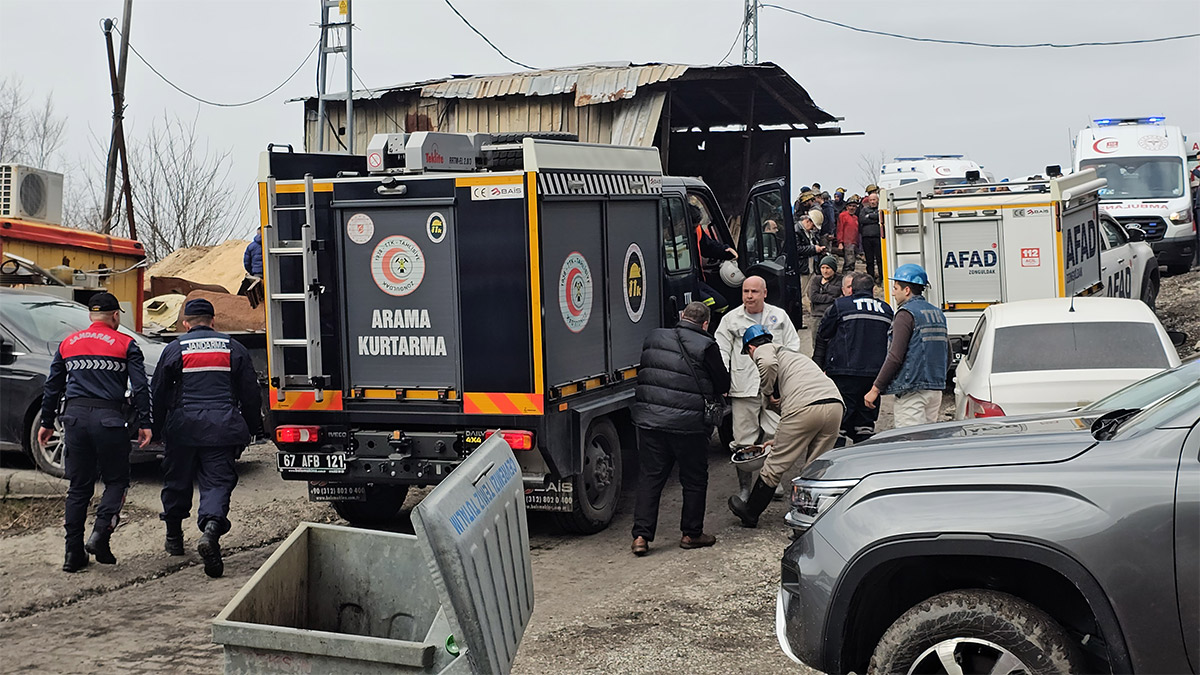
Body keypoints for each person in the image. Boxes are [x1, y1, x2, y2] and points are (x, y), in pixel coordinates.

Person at [39, 292, 152, 572]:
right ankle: (101, 533)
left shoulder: (68, 343)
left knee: (78, 487)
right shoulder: (126, 343)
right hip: (109, 420)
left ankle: (72, 554)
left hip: (74, 420)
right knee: (117, 480)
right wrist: (146, 423)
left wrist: (46, 422)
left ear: (91, 316)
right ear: (115, 316)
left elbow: (53, 386)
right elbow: (140, 387)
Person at [152, 298, 263, 578]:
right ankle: (210, 532)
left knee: (176, 482)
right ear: (213, 321)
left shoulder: (174, 348)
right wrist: (255, 427)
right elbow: (250, 393)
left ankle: (174, 539)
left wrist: (156, 428)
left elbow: (159, 391)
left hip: (182, 429)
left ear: (185, 323)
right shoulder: (232, 348)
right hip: (222, 429)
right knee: (217, 483)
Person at [630, 301, 730, 556]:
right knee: (694, 479)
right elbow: (722, 383)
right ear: (705, 324)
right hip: (689, 425)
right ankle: (691, 534)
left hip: (651, 420)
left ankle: (641, 537)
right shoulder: (707, 345)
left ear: (682, 315)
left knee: (651, 478)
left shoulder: (654, 337)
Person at [727, 326, 842, 528]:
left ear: (751, 348)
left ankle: (751, 513)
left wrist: (767, 392)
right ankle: (810, 514)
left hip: (804, 407)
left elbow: (767, 363)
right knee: (816, 466)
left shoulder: (764, 350)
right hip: (835, 405)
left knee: (774, 465)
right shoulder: (796, 357)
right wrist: (778, 440)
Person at [715, 276, 801, 502]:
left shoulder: (779, 316)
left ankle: (772, 481)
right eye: (746, 291)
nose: (749, 296)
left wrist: (787, 378)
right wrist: (723, 378)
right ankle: (745, 488)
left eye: (754, 291)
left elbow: (793, 346)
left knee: (776, 435)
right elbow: (721, 349)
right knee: (743, 439)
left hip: (774, 387)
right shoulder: (731, 319)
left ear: (764, 293)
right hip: (744, 387)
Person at [865, 264, 948, 428]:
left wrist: (875, 389)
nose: (893, 293)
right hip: (935, 390)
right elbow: (947, 353)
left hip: (912, 391)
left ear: (907, 290)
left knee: (909, 440)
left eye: (895, 288)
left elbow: (895, 356)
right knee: (928, 439)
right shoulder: (938, 313)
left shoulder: (905, 314)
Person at [819, 272, 894, 443]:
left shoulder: (841, 305)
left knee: (840, 424)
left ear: (851, 290)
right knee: (865, 425)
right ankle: (864, 455)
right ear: (873, 291)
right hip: (874, 375)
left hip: (844, 373)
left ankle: (837, 457)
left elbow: (824, 332)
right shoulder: (886, 309)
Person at [808, 256, 841, 367]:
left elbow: (838, 293)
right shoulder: (816, 280)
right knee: (817, 345)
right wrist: (831, 297)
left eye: (828, 268)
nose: (825, 271)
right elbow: (813, 297)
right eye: (823, 268)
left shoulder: (840, 280)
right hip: (817, 316)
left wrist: (823, 288)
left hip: (833, 316)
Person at [858, 193, 883, 282]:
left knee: (880, 259)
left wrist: (870, 216)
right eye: (871, 200)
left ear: (878, 200)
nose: (872, 202)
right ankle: (870, 278)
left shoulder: (880, 209)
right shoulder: (864, 210)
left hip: (878, 237)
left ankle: (882, 278)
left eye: (874, 200)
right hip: (866, 238)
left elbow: (881, 217)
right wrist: (874, 218)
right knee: (869, 260)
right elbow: (862, 219)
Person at [837, 197, 861, 272]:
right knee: (849, 262)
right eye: (850, 206)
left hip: (854, 243)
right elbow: (840, 229)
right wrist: (840, 242)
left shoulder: (856, 218)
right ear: (847, 207)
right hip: (847, 243)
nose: (852, 208)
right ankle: (846, 276)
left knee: (852, 262)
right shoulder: (842, 215)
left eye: (854, 206)